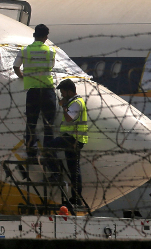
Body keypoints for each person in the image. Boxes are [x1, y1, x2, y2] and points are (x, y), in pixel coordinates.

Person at [13, 24, 57, 162]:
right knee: (48, 123)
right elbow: (50, 66)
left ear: (34, 35)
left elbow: (15, 66)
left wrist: (22, 76)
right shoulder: (51, 51)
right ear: (46, 37)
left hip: (32, 90)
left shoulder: (24, 51)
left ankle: (31, 151)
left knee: (31, 122)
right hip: (47, 89)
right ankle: (48, 151)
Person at [46, 79, 88, 209]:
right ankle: (76, 199)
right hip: (73, 139)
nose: (62, 95)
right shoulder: (74, 102)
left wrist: (64, 106)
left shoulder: (75, 103)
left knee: (48, 147)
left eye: (63, 92)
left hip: (72, 139)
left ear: (70, 91)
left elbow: (70, 118)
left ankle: (55, 172)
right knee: (74, 170)